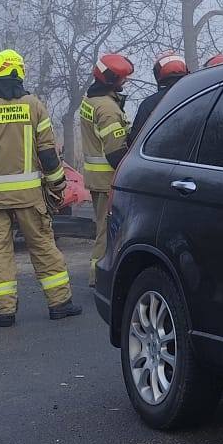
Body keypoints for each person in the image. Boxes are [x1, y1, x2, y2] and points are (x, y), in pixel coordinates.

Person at [0, 48, 81, 326]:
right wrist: (58, 185)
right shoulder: (33, 106)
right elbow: (48, 153)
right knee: (43, 246)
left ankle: (5, 312)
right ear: (19, 74)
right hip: (29, 196)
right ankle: (59, 303)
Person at [79, 52, 133, 286]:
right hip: (108, 180)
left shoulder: (91, 100)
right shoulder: (108, 109)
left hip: (96, 178)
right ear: (111, 80)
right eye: (122, 78)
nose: (125, 81)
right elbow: (115, 153)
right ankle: (98, 276)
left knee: (103, 226)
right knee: (106, 231)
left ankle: (98, 274)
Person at [128, 52, 190, 144]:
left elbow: (135, 139)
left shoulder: (149, 104)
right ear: (186, 72)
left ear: (158, 75)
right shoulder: (199, 95)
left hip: (160, 151)